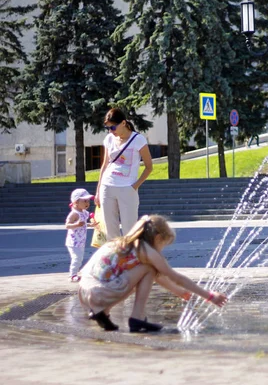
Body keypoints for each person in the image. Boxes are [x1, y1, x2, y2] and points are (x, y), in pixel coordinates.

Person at [78, 214, 228, 332]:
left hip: (84, 293)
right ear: (157, 238)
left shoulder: (121, 243)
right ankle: (136, 318)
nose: (162, 248)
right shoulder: (145, 250)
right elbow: (175, 276)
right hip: (99, 294)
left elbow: (158, 277)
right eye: (163, 244)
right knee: (149, 268)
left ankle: (103, 313)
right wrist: (209, 296)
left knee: (145, 270)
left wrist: (179, 292)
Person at [95, 108, 153, 240]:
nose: (111, 131)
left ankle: (131, 259)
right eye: (108, 128)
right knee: (111, 231)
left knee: (130, 231)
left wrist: (134, 186)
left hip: (127, 188)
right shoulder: (109, 139)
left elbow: (149, 167)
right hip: (107, 186)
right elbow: (105, 165)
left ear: (123, 123)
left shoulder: (138, 140)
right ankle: (115, 260)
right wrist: (98, 190)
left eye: (113, 127)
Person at [65, 188, 98, 282]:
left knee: (79, 258)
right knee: (77, 258)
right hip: (73, 241)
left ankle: (75, 273)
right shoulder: (74, 214)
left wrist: (90, 225)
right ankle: (72, 275)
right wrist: (76, 224)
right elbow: (67, 225)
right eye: (84, 201)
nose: (87, 203)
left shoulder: (84, 213)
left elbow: (83, 224)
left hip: (80, 240)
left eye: (88, 201)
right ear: (76, 202)